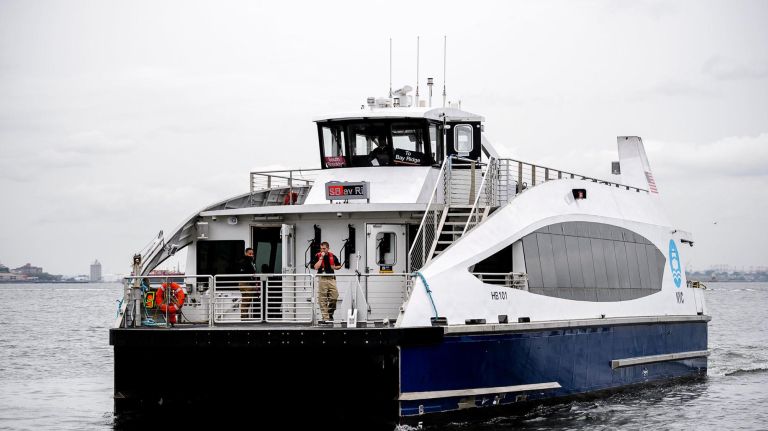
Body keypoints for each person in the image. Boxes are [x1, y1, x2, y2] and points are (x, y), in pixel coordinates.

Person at [313, 241, 342, 322]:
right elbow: (315, 267)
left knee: (334, 297)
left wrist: (335, 267)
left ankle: (329, 313)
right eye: (321, 248)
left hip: (331, 278)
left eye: (324, 248)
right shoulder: (317, 256)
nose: (322, 250)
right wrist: (321, 258)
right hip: (322, 278)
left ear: (328, 248)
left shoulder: (333, 256)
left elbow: (339, 265)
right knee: (322, 299)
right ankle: (326, 318)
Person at [238, 247, 258, 320]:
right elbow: (245, 271)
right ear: (246, 253)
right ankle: (243, 317)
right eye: (250, 253)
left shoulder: (251, 262)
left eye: (252, 254)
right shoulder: (244, 261)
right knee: (246, 299)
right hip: (244, 283)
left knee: (248, 299)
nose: (251, 255)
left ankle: (245, 316)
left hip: (249, 283)